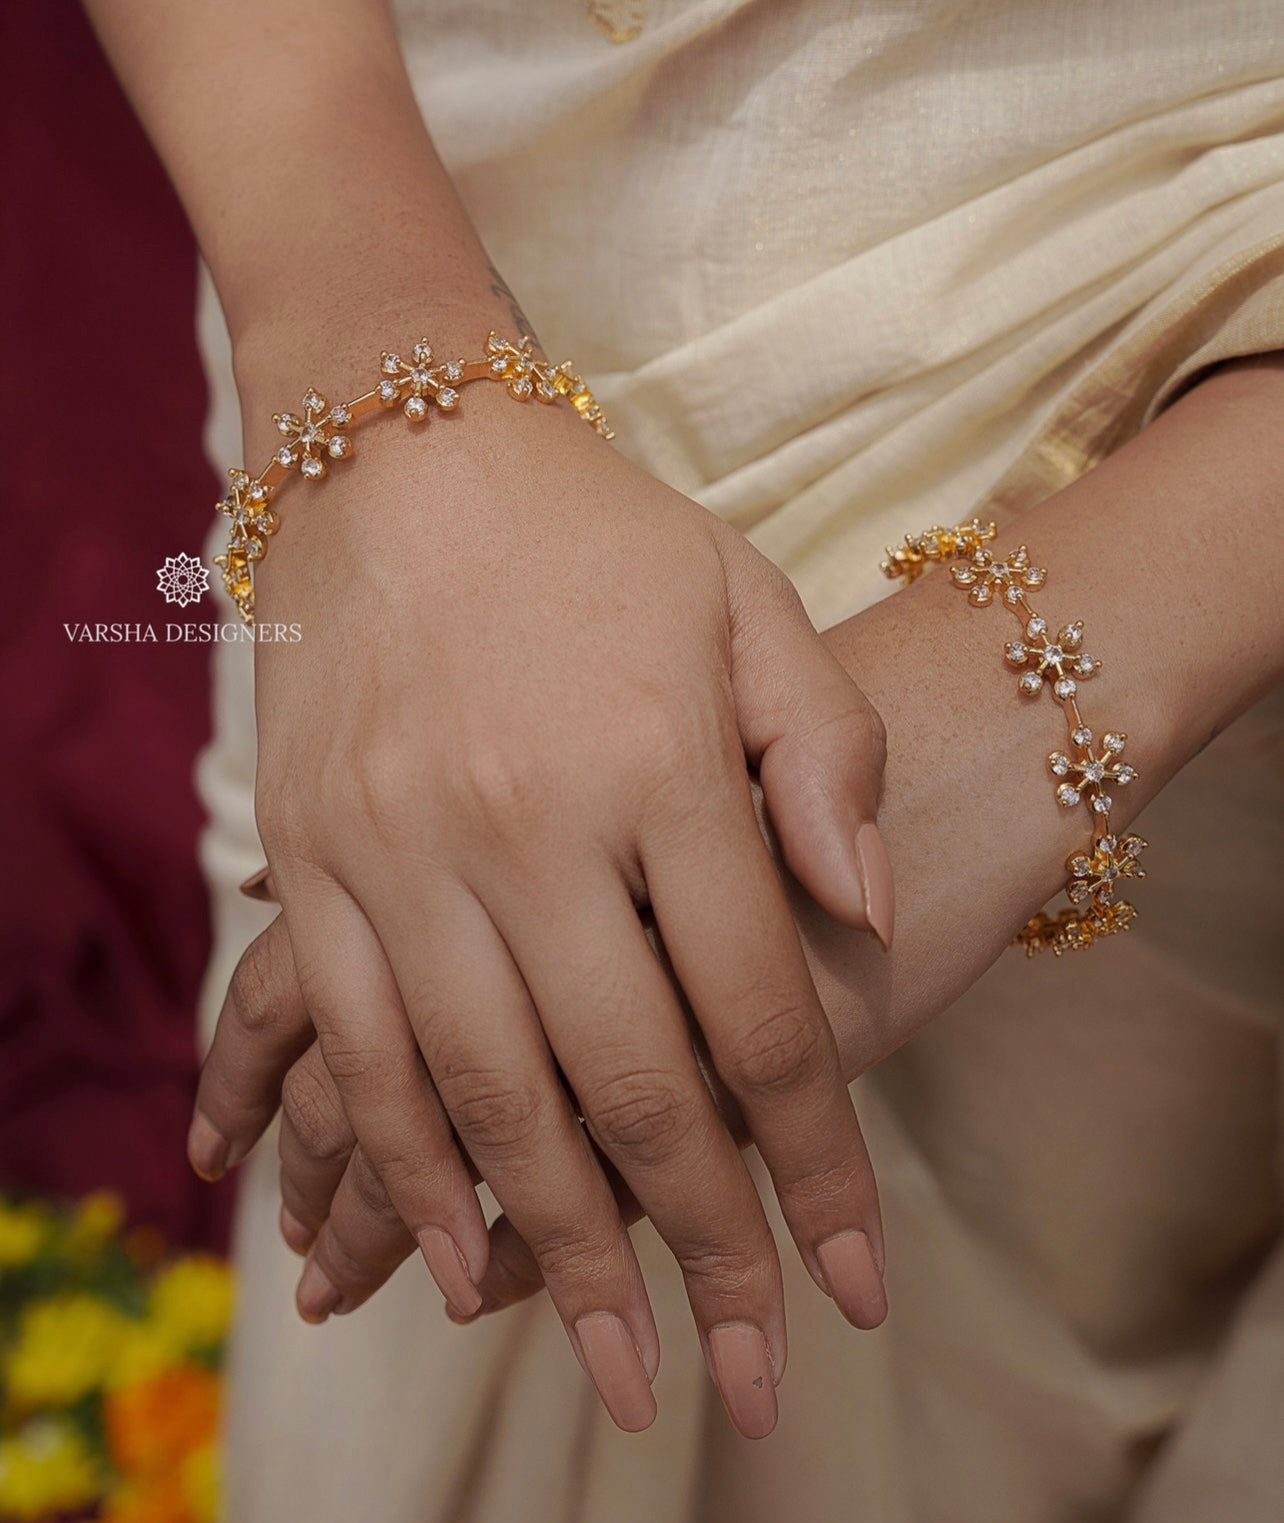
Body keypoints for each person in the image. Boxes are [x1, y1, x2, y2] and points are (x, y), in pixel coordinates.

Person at [86, 1, 1284, 1518]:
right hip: (384, 252)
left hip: (1196, 397)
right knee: (414, 1162)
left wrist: (1060, 670)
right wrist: (372, 377)